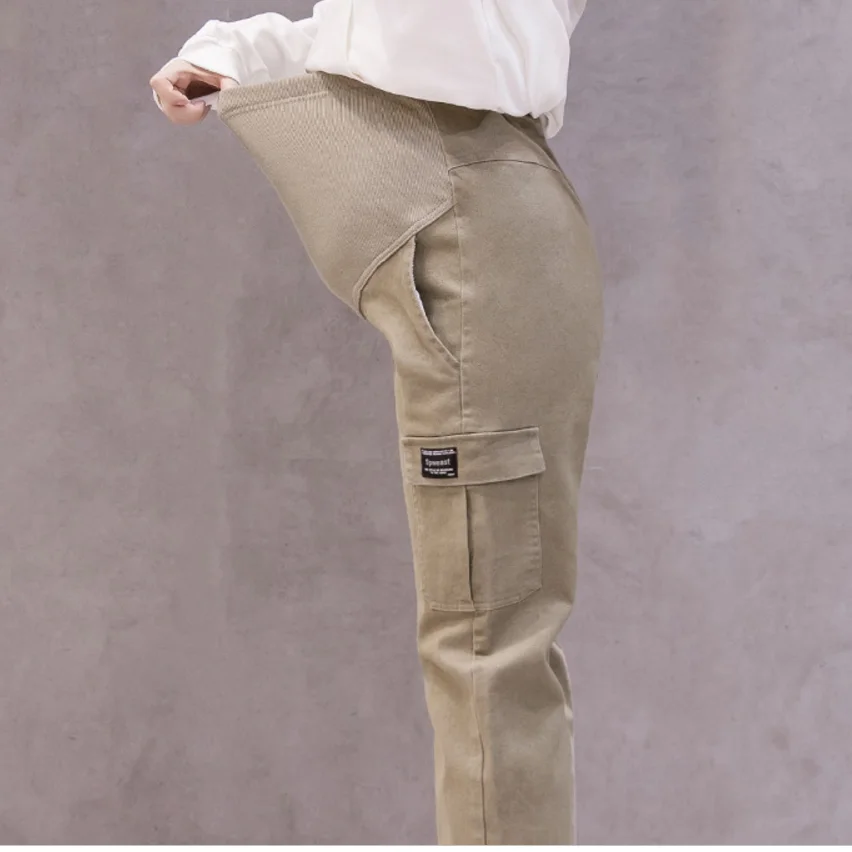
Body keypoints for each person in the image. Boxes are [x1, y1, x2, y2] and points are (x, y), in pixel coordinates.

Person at [150, 1, 603, 845]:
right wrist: (241, 52)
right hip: (482, 209)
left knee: (489, 647)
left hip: (477, 215)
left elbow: (433, 40)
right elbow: (380, 35)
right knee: (493, 644)